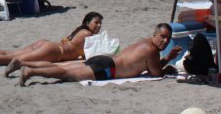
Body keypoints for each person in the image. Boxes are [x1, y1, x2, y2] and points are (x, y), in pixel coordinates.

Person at [11, 23, 181, 86]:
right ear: (154, 35)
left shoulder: (144, 42)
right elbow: (156, 72)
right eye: (162, 37)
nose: (165, 41)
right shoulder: (152, 50)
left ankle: (22, 63)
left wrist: (165, 58)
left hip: (104, 59)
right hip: (108, 68)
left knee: (60, 67)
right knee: (66, 73)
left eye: (168, 38)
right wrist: (168, 59)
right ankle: (30, 71)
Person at [0, 12, 103, 67]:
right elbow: (91, 56)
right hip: (53, 51)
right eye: (96, 22)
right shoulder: (88, 35)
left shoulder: (79, 30)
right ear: (87, 22)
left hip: (47, 44)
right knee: (12, 59)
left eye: (100, 23)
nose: (99, 26)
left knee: (10, 53)